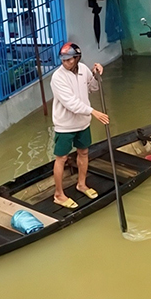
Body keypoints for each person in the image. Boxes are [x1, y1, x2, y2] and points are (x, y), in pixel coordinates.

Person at [50, 42, 108, 209]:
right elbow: (71, 104)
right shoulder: (58, 78)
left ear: (77, 58)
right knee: (61, 158)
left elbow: (93, 88)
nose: (66, 63)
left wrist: (96, 73)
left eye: (69, 59)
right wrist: (93, 112)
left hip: (82, 123)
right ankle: (59, 194)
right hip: (65, 125)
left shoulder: (82, 69)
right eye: (64, 60)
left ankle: (81, 184)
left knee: (83, 152)